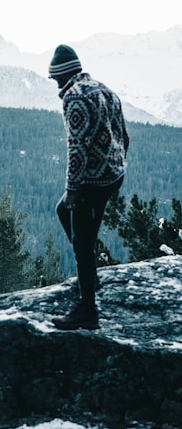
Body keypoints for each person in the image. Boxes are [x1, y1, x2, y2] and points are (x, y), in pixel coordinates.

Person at [49, 45, 129, 330]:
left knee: (82, 240)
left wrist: (73, 190)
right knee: (63, 213)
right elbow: (123, 131)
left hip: (93, 180)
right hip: (113, 172)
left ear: (63, 75)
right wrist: (119, 161)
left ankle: (87, 311)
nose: (55, 84)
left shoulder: (74, 98)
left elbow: (77, 150)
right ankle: (90, 277)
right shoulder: (102, 88)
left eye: (55, 78)